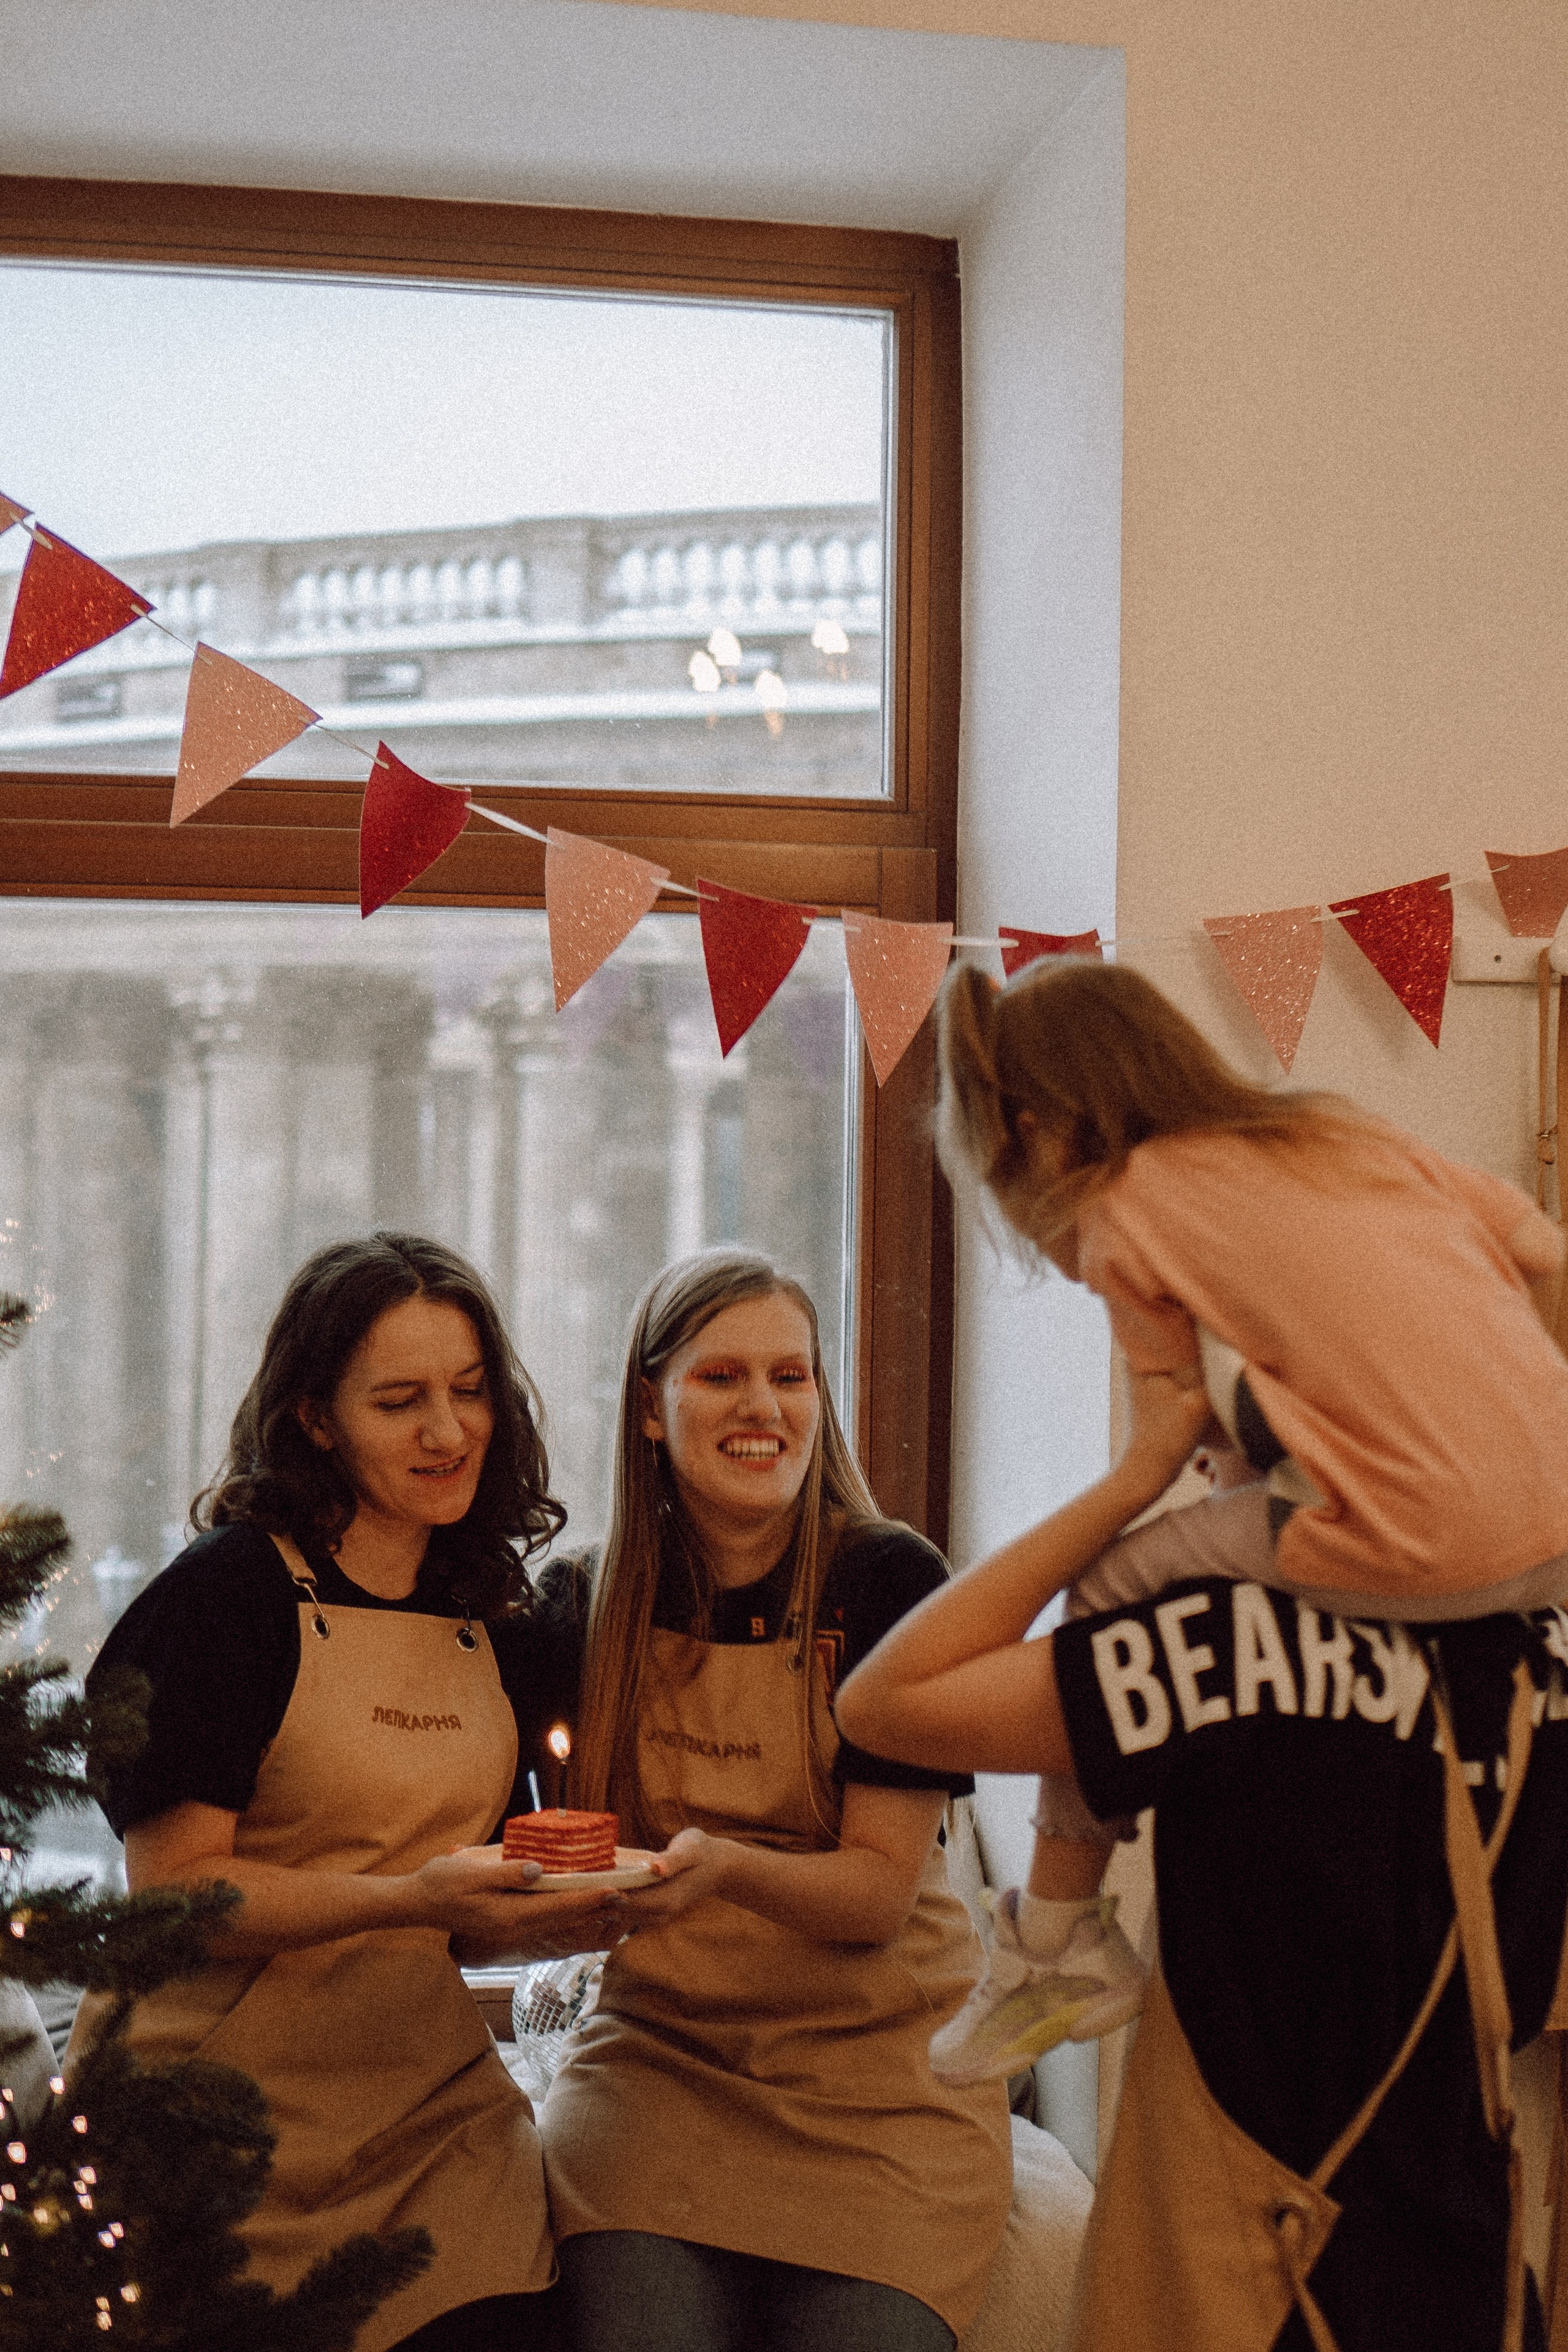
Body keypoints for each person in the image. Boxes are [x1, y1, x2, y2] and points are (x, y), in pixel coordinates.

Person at [918, 953, 1568, 2085]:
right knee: (1267, 1465)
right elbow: (1543, 1255)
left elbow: (1171, 1442)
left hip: (1426, 1543)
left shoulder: (1124, 1213)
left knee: (1112, 1587)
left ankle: (1056, 1939)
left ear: (1040, 1127)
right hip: (1556, 1529)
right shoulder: (1339, 1137)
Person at [835, 1370, 1568, 2352]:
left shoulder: (1223, 1645)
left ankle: (1055, 1941)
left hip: (1240, 2264)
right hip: (1463, 2253)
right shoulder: (1538, 1667)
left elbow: (887, 1703)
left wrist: (1131, 1482)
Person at [74, 1233, 625, 2352]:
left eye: (470, 1392)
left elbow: (471, 1905)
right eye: (400, 1400)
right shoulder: (224, 1601)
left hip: (432, 2127)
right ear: (316, 1418)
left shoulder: (497, 1614)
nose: (448, 1430)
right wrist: (420, 1898)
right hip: (211, 2117)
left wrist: (551, 1909)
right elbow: (178, 1896)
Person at [535, 1248, 1012, 2352]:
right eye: (722, 1377)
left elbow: (877, 1899)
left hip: (885, 2097)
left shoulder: (889, 1581)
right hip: (660, 2076)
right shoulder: (577, 1607)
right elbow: (539, 1863)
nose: (764, 1408)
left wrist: (726, 1868)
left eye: (791, 1378)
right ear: (650, 1409)